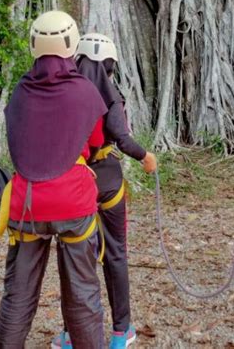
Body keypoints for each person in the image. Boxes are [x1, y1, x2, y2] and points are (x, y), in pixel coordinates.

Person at [0, 11, 107, 349]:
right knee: (83, 293)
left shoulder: (21, 91)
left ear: (33, 45)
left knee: (18, 295)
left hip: (27, 205)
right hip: (73, 203)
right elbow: (96, 143)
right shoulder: (85, 91)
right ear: (71, 44)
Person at [52, 33, 157, 349]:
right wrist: (146, 157)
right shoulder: (112, 93)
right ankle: (120, 332)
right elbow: (121, 138)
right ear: (109, 64)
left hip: (73, 181)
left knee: (74, 256)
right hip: (108, 181)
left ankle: (72, 334)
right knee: (115, 253)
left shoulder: (63, 92)